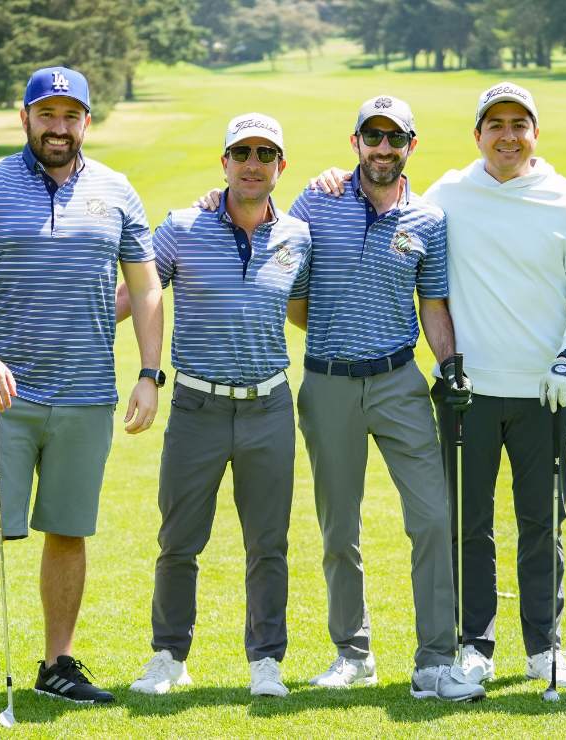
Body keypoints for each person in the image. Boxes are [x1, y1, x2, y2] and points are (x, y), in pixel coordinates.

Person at [308, 82, 566, 689]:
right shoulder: (447, 195)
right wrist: (326, 179)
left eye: (518, 124)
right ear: (477, 135)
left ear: (534, 134)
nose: (507, 135)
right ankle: (473, 644)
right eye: (494, 124)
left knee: (542, 524)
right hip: (468, 392)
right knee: (466, 524)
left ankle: (544, 647)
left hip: (545, 390)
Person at [197, 95, 484, 702]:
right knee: (338, 527)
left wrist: (450, 364)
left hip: (401, 382)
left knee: (432, 518)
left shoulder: (427, 220)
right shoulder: (316, 202)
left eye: (394, 139)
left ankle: (435, 659)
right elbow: (286, 278)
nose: (383, 149)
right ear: (355, 142)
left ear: (411, 146)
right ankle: (353, 653)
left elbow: (432, 304)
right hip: (327, 383)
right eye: (372, 137)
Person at [0, 66, 164, 722]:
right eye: (46, 114)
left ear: (86, 120)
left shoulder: (116, 190)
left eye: (70, 114)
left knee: (69, 531)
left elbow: (144, 286)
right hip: (4, 394)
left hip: (86, 396)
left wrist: (148, 373)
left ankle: (58, 666)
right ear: (25, 117)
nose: (58, 126)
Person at [121, 113, 310, 699]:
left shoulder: (298, 237)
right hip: (198, 407)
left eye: (265, 153)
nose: (252, 163)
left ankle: (266, 662)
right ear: (223, 161)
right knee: (179, 539)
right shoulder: (181, 227)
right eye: (241, 152)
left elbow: (303, 310)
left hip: (269, 407)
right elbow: (135, 293)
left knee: (268, 543)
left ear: (281, 166)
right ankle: (170, 656)